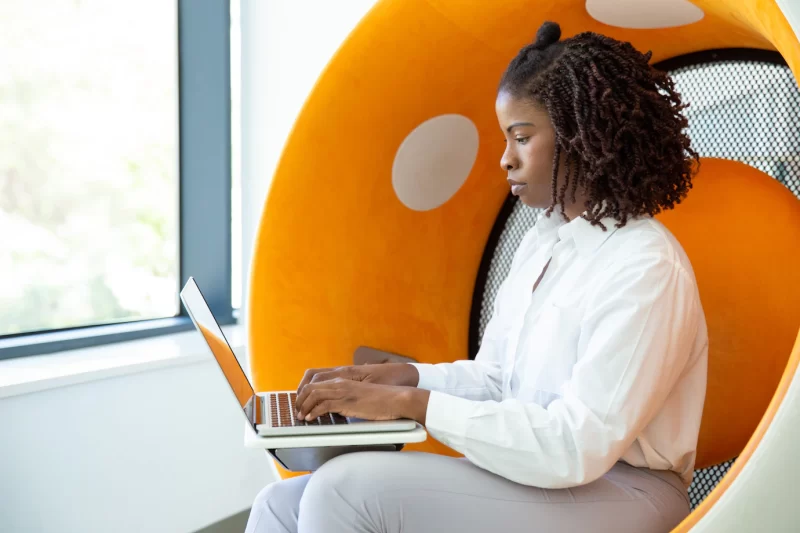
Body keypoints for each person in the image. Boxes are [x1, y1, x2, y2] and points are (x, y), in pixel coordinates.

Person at [245, 21, 708, 533]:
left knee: (343, 491)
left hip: (626, 490)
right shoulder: (544, 241)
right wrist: (408, 378)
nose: (505, 158)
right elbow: (496, 380)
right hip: (546, 475)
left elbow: (577, 446)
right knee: (279, 503)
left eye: (522, 137)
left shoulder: (644, 265)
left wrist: (410, 405)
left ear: (580, 136)